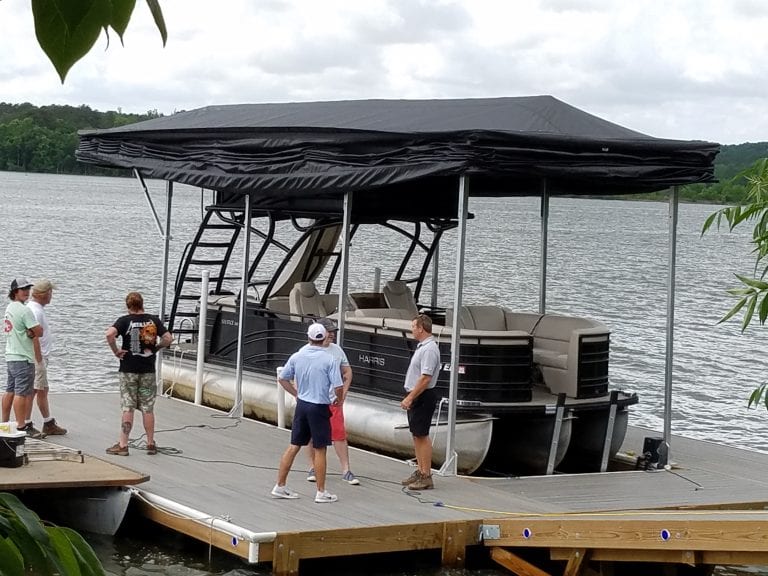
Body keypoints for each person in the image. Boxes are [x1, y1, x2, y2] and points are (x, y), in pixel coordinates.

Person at [272, 322, 343, 503]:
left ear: (309, 337)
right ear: (324, 338)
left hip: (302, 404)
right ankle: (321, 491)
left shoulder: (298, 356)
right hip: (319, 406)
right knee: (320, 448)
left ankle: (279, 485)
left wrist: (296, 393)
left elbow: (282, 378)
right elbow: (338, 385)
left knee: (294, 444)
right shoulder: (330, 359)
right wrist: (338, 398)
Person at [105, 291, 172, 456]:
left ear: (128, 306)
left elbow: (109, 334)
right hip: (147, 371)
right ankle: (150, 443)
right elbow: (168, 338)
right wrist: (156, 348)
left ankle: (123, 444)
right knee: (147, 407)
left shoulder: (124, 321)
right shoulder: (153, 321)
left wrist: (116, 351)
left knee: (128, 406)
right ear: (142, 304)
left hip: (128, 370)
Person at [305, 317, 358, 485]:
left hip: (333, 400)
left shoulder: (337, 350)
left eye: (333, 332)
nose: (332, 335)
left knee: (339, 434)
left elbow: (347, 373)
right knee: (312, 435)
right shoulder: (306, 351)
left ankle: (346, 469)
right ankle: (312, 467)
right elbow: (297, 375)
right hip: (313, 399)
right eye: (329, 332)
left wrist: (343, 394)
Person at [400, 313, 441, 490]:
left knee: (422, 434)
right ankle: (420, 469)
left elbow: (425, 378)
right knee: (416, 434)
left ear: (421, 328)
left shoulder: (430, 349)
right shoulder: (422, 347)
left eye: (413, 327)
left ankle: (426, 474)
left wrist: (411, 397)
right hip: (418, 395)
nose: (412, 331)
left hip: (423, 396)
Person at [25, 279, 67, 436]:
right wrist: (39, 359)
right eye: (50, 293)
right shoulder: (35, 311)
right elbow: (33, 336)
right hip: (37, 357)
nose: (52, 296)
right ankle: (27, 424)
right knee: (33, 390)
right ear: (44, 294)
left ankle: (48, 422)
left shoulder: (36, 308)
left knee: (43, 389)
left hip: (41, 356)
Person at [2, 278, 43, 437]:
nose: (26, 291)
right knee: (22, 392)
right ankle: (21, 425)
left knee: (10, 390)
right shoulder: (25, 310)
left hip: (11, 355)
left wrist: (30, 331)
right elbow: (39, 331)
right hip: (23, 356)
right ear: (15, 292)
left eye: (28, 288)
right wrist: (33, 331)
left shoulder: (9, 308)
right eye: (23, 289)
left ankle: (4, 423)